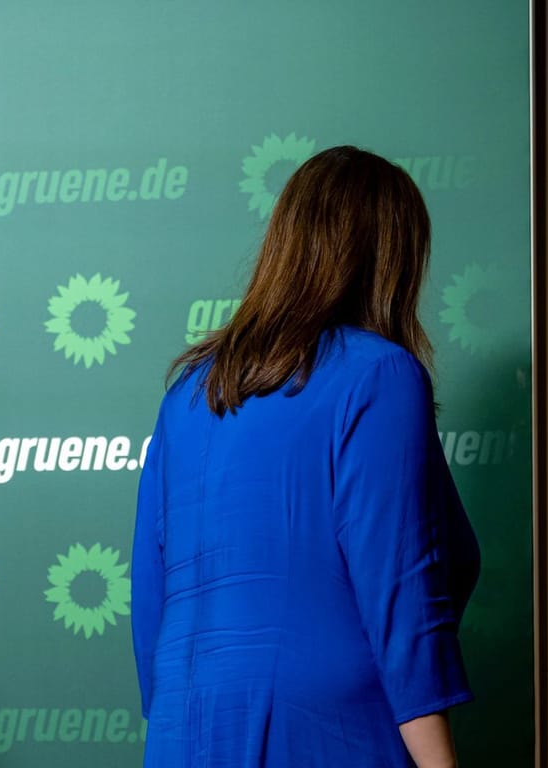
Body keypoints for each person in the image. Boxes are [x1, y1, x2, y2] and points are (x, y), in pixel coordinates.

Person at [132, 146, 480, 767]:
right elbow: (400, 594)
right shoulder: (381, 375)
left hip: (183, 729)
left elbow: (150, 599)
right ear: (390, 260)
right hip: (331, 729)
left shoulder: (188, 392)